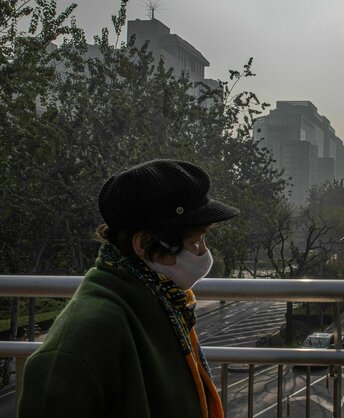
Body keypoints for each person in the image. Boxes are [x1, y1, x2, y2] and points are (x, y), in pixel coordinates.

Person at [18, 159, 238, 418]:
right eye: (195, 241)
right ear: (144, 243)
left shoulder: (162, 302)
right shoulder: (83, 342)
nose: (204, 253)